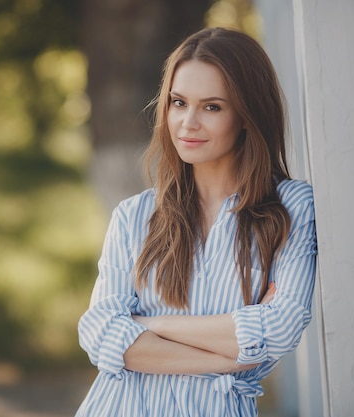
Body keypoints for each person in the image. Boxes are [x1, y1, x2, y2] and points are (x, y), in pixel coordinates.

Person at [75, 27, 317, 417]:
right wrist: (230, 359)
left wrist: (146, 324)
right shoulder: (134, 216)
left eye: (212, 107)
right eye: (178, 102)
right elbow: (101, 334)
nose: (187, 123)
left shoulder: (290, 207)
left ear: (247, 114)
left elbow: (280, 329)